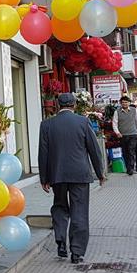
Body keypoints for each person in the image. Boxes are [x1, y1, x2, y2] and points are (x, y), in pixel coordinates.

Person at [39, 93, 106, 264]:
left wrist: (44, 178)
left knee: (60, 206)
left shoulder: (46, 124)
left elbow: (43, 153)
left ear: (57, 105)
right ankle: (77, 252)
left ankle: (61, 241)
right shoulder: (83, 122)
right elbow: (94, 149)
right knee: (79, 210)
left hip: (57, 174)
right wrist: (100, 173)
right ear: (74, 105)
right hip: (80, 174)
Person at [112, 95, 137, 176]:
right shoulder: (117, 112)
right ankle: (128, 167)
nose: (124, 104)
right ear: (120, 103)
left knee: (131, 151)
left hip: (133, 134)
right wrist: (117, 132)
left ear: (129, 103)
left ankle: (131, 168)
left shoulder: (134, 110)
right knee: (125, 152)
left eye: (126, 102)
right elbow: (114, 123)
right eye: (123, 102)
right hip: (123, 135)